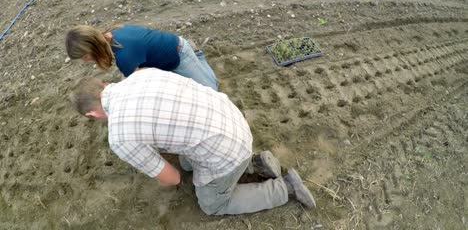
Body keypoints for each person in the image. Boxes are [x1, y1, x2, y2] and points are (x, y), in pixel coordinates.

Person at [69, 68, 316, 215]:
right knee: (188, 163)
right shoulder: (140, 75)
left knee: (213, 204)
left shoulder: (119, 136)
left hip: (227, 150)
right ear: (103, 85)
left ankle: (284, 188)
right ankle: (256, 163)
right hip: (232, 118)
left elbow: (172, 179)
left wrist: (153, 171)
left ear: (92, 114)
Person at [65, 24, 218, 90]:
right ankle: (195, 58)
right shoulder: (115, 32)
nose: (86, 61)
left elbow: (140, 86)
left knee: (213, 93)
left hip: (179, 55)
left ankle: (196, 54)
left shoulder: (124, 56)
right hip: (163, 51)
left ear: (94, 47)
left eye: (85, 57)